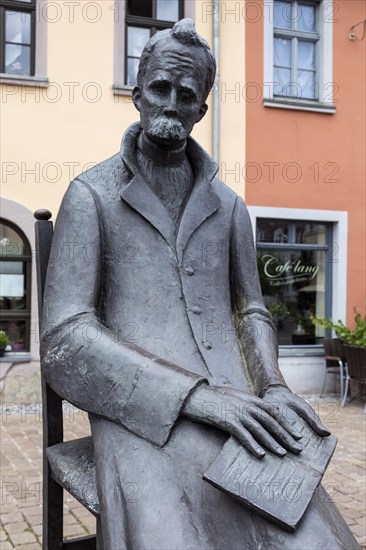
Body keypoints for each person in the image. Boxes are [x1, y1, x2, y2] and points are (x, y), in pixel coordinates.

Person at [41, 19, 359, 549]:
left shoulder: (230, 206)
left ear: (201, 108)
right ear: (138, 94)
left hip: (244, 407)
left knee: (318, 540)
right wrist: (198, 399)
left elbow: (250, 309)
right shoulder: (91, 195)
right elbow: (65, 338)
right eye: (160, 88)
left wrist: (273, 385)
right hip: (141, 411)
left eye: (185, 94)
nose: (170, 103)